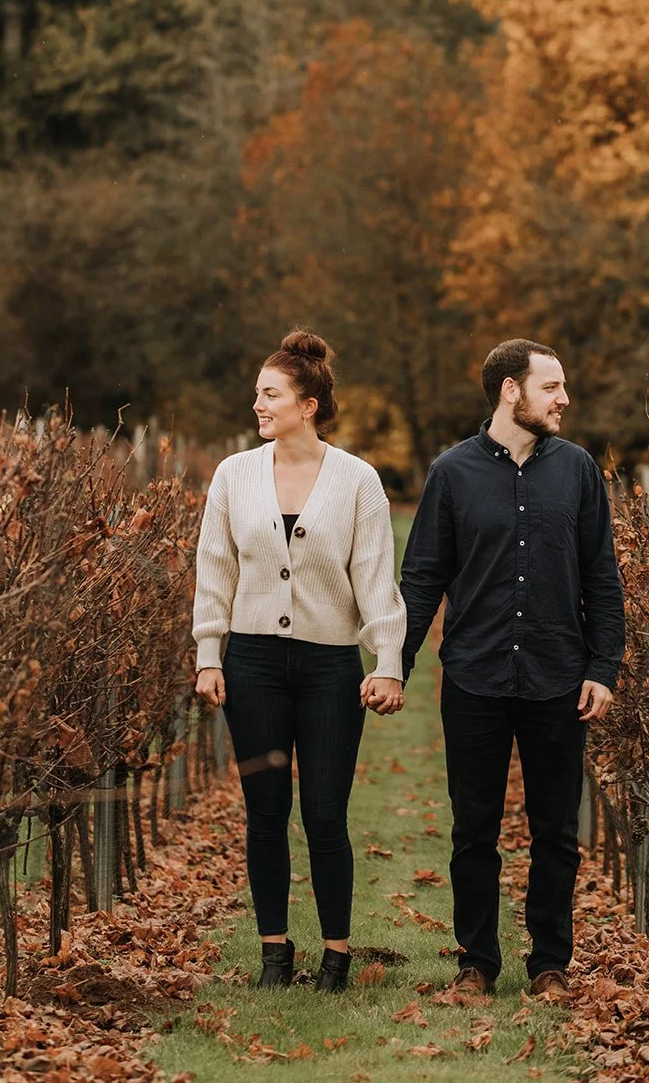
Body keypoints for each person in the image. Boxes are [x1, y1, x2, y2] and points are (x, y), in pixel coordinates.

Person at [399, 338, 626, 997]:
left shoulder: (577, 471)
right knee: (474, 830)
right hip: (474, 674)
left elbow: (601, 580)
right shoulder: (451, 473)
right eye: (550, 387)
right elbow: (422, 580)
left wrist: (602, 667)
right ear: (510, 390)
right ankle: (476, 963)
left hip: (559, 676)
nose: (563, 399)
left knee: (554, 830)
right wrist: (394, 664)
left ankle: (550, 963)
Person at [193, 330, 406, 993]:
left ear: (307, 404)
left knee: (323, 813)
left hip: (328, 670)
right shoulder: (233, 476)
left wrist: (388, 660)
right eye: (258, 394)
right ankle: (273, 954)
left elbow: (374, 577)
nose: (258, 405)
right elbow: (215, 568)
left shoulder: (356, 481)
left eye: (270, 394)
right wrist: (209, 652)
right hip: (252, 664)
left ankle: (336, 957)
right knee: (264, 811)